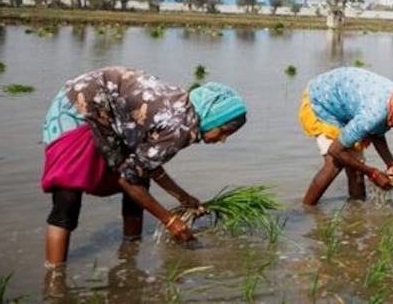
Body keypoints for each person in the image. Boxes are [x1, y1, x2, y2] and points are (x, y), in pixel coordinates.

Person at [40, 66, 248, 269]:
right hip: (77, 107)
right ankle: (55, 281)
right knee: (68, 195)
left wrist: (182, 196)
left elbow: (148, 162)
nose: (222, 140)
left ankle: (129, 255)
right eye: (223, 132)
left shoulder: (184, 111)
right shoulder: (180, 127)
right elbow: (127, 178)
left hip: (108, 114)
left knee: (139, 178)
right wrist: (170, 221)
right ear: (212, 118)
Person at [299, 67, 393, 205]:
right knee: (334, 164)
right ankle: (306, 210)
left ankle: (356, 213)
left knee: (356, 168)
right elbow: (335, 150)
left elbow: (375, 131)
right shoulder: (374, 114)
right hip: (322, 100)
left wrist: (391, 163)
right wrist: (373, 174)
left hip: (345, 102)